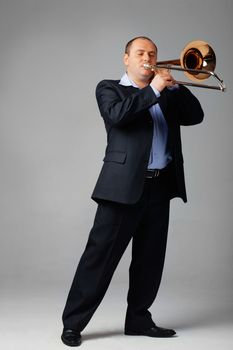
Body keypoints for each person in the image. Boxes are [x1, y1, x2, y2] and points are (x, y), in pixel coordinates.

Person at [61, 36, 204, 347]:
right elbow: (118, 116)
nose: (148, 57)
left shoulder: (167, 94)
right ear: (126, 58)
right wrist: (153, 89)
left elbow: (196, 117)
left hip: (159, 185)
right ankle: (73, 323)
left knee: (150, 260)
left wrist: (176, 87)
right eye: (140, 53)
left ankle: (138, 320)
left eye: (152, 53)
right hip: (121, 189)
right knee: (98, 260)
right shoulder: (109, 88)